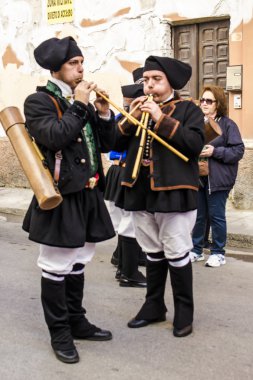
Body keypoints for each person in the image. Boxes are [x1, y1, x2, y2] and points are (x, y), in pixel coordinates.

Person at [22, 36, 116, 364]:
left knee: (78, 261)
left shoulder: (83, 101)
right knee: (56, 266)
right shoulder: (38, 102)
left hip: (88, 194)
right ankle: (59, 332)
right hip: (60, 198)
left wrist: (103, 114)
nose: (81, 68)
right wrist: (79, 103)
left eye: (81, 62)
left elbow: (105, 145)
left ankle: (77, 321)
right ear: (56, 69)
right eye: (73, 64)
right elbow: (55, 136)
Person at [114, 55, 205, 337]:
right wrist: (132, 119)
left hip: (173, 192)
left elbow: (193, 145)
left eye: (156, 80)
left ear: (170, 83)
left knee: (177, 253)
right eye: (146, 80)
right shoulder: (138, 109)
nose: (149, 86)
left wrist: (159, 118)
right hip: (140, 190)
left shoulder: (188, 109)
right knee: (152, 252)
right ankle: (153, 307)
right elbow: (114, 142)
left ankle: (184, 313)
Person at [190, 85, 245, 267]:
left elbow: (238, 151)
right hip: (199, 177)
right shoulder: (197, 122)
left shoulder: (228, 125)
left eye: (209, 101)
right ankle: (197, 250)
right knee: (199, 216)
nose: (204, 103)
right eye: (202, 100)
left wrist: (215, 151)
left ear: (218, 103)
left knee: (216, 216)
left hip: (218, 179)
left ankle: (218, 252)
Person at [104, 68, 147, 288]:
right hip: (122, 171)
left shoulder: (126, 116)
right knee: (127, 221)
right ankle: (127, 270)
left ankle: (122, 262)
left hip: (120, 171)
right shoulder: (126, 119)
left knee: (125, 221)